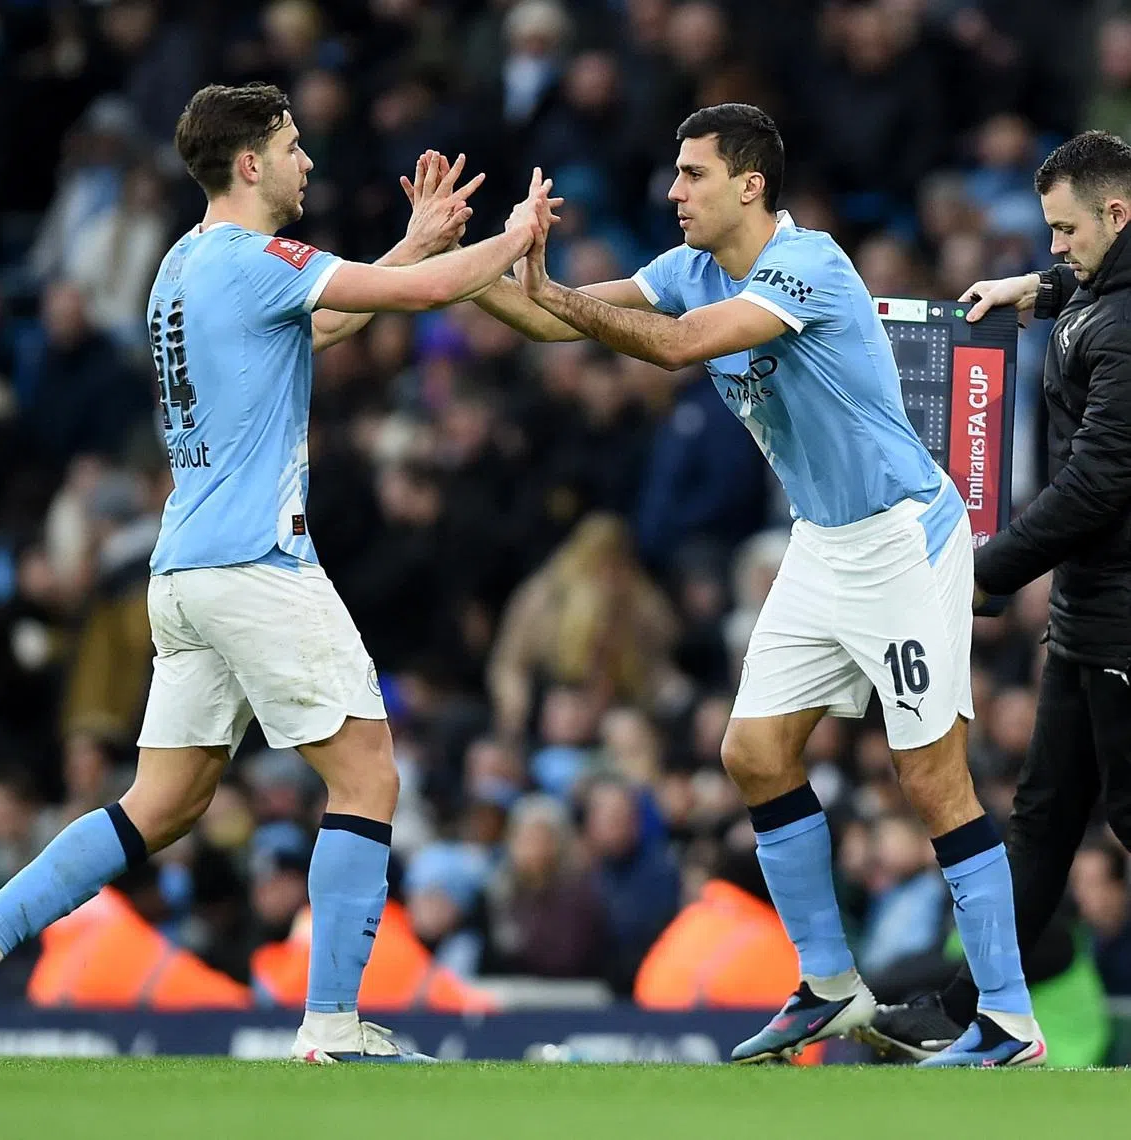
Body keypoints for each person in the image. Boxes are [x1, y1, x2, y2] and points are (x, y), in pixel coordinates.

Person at [446, 102, 1043, 1066]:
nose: (672, 191)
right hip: (820, 541)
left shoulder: (809, 265)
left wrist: (552, 289)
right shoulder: (685, 270)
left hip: (901, 537)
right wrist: (465, 260)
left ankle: (1010, 1019)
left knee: (931, 778)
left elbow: (680, 347)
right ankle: (830, 987)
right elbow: (545, 323)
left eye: (691, 174)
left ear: (749, 184)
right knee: (754, 753)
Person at [0, 81, 553, 1065]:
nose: (305, 162)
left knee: (157, 805)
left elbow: (321, 326)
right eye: (292, 146)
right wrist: (514, 238)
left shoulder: (184, 266)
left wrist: (416, 242)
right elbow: (410, 302)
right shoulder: (257, 259)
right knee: (370, 773)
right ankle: (333, 1027)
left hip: (185, 574)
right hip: (258, 562)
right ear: (249, 162)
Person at [868, 130, 1131, 1063]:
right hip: (1091, 612)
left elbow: (1102, 482)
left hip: (1122, 619)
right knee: (1045, 819)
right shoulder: (1101, 294)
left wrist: (986, 571)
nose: (1051, 246)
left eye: (1063, 231)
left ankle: (972, 1007)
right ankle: (972, 1007)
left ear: (1118, 212)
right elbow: (1089, 290)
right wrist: (1030, 288)